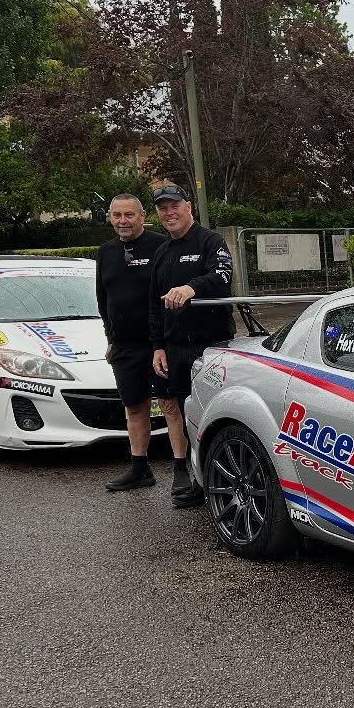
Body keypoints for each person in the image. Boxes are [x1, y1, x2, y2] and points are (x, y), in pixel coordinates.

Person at [147, 183, 236, 506]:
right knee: (179, 409)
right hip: (173, 348)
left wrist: (191, 288)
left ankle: (215, 480)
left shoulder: (210, 241)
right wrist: (157, 346)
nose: (169, 213)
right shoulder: (161, 252)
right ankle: (187, 473)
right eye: (163, 208)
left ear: (188, 207)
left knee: (211, 415)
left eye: (174, 206)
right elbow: (154, 305)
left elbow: (223, 275)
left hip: (210, 346)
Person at [96, 194, 169, 490]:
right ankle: (140, 469)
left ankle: (185, 471)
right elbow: (104, 299)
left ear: (142, 216)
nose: (122, 221)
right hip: (125, 346)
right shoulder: (106, 251)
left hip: (160, 345)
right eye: (117, 215)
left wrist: (162, 341)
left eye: (129, 215)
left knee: (171, 406)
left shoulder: (161, 246)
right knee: (134, 407)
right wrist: (111, 337)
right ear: (110, 217)